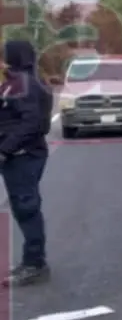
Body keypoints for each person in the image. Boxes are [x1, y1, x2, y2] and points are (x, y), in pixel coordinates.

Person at [0, 40, 52, 286]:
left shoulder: (25, 84)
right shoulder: (16, 82)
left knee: (27, 208)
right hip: (17, 155)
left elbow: (31, 123)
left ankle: (34, 264)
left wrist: (5, 148)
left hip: (23, 155)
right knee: (23, 208)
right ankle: (32, 261)